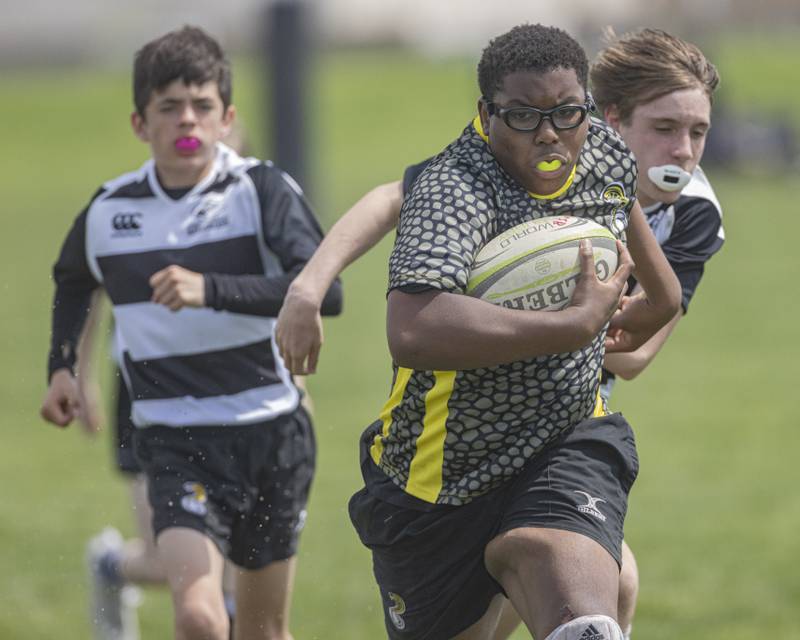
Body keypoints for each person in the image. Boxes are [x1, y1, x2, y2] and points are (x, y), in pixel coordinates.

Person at [276, 26, 723, 640]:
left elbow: (659, 295)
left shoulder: (610, 159)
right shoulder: (453, 188)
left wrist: (622, 316)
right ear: (486, 116)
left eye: (567, 114)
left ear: (591, 113)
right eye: (522, 116)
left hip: (565, 438)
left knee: (593, 606)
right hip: (440, 472)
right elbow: (412, 328)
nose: (548, 134)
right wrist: (572, 325)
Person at [40, 25, 342, 640]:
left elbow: (323, 292)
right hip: (177, 439)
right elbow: (74, 280)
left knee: (260, 630)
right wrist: (64, 367)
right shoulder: (109, 211)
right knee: (201, 618)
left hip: (271, 436)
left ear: (227, 116)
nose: (187, 120)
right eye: (169, 107)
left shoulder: (262, 191)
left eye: (202, 106)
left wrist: (212, 288)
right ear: (139, 123)